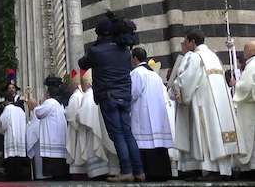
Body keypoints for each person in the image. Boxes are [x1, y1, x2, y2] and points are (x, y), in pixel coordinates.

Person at [78, 11, 145, 182]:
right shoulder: (124, 51)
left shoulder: (96, 50)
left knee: (117, 135)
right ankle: (139, 171)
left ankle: (126, 171)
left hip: (108, 96)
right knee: (128, 133)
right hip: (124, 96)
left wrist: (97, 43)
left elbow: (82, 63)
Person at [173, 29, 244, 179]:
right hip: (220, 105)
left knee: (207, 135)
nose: (184, 45)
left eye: (185, 41)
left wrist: (174, 87)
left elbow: (186, 81)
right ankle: (223, 170)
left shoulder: (194, 56)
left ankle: (212, 170)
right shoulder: (213, 56)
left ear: (193, 42)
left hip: (204, 105)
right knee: (217, 135)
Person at [130, 48, 172, 181]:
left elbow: (133, 93)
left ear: (135, 58)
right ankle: (161, 172)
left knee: (144, 142)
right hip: (157, 114)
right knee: (157, 143)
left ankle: (148, 172)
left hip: (143, 114)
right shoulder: (155, 75)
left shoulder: (136, 73)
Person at [28, 76, 69, 180]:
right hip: (58, 140)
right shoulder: (59, 104)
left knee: (54, 171)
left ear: (49, 93)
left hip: (53, 141)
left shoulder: (50, 102)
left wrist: (34, 106)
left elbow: (39, 113)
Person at [233, 41, 255, 174]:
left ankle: (251, 169)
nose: (244, 53)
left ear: (250, 51)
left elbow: (246, 87)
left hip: (249, 109)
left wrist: (237, 86)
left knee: (250, 137)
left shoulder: (252, 66)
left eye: (245, 50)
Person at [0, 91, 29, 180]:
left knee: (11, 157)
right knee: (19, 158)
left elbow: (3, 123)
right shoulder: (20, 110)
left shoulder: (7, 109)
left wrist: (2, 131)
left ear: (7, 101)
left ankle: (11, 176)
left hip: (11, 138)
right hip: (20, 138)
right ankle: (20, 176)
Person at [64, 69, 86, 178]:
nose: (70, 86)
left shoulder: (75, 96)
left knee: (76, 151)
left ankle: (77, 172)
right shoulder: (83, 95)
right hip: (81, 129)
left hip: (75, 129)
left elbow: (70, 115)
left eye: (72, 84)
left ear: (76, 84)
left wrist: (65, 111)